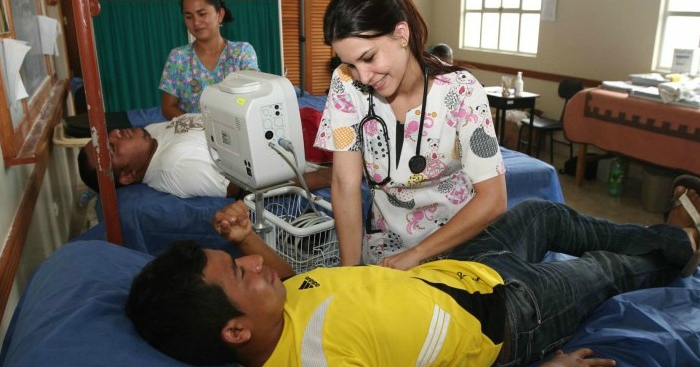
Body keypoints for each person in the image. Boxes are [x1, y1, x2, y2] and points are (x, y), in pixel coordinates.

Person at [125, 179, 700, 366]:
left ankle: (674, 238)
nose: (255, 265)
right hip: (507, 316)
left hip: (457, 272)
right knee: (602, 270)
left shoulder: (272, 309)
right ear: (234, 331)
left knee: (539, 213)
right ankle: (680, 244)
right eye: (237, 272)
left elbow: (285, 273)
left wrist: (245, 237)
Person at [314, 0, 507, 269]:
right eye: (352, 64)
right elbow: (344, 183)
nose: (363, 77)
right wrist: (349, 275)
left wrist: (417, 255)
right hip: (387, 250)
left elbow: (493, 200)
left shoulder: (461, 90)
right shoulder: (346, 84)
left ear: (401, 34)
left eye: (369, 57)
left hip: (461, 245)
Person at [77, 113, 332, 198]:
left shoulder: (151, 136)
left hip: (285, 120)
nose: (116, 133)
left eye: (108, 135)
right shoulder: (176, 167)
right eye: (112, 148)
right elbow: (253, 185)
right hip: (301, 143)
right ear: (128, 175)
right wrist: (331, 176)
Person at [160, 0, 260, 120]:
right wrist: (199, 126)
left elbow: (252, 97)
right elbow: (168, 107)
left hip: (235, 130)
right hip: (193, 133)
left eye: (202, 14)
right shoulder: (178, 57)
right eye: (189, 16)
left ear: (220, 14)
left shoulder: (241, 53)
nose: (196, 22)